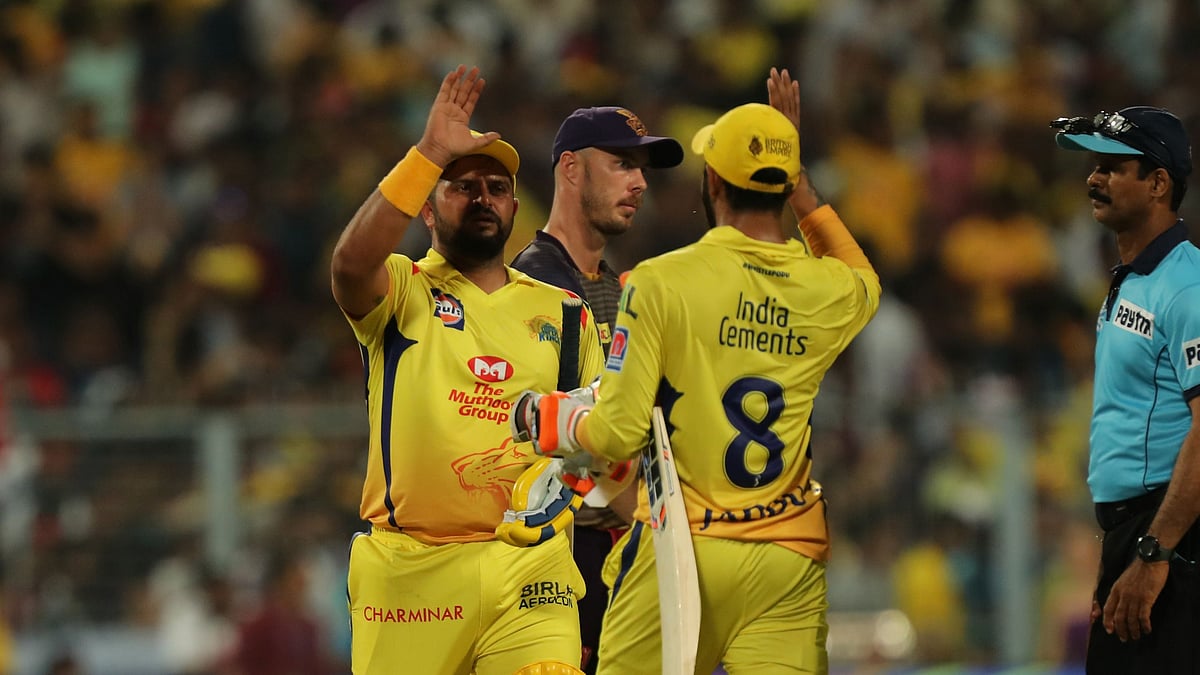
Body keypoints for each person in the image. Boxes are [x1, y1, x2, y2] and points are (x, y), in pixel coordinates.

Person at [512, 68, 881, 673]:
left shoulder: (659, 282)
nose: (639, 182)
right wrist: (799, 184)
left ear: (711, 181)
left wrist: (550, 418)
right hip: (786, 550)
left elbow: (614, 433)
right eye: (623, 164)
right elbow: (863, 278)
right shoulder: (827, 292)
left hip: (681, 544)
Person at [330, 65, 605, 675]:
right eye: (462, 186)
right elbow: (349, 266)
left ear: (515, 207)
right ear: (427, 211)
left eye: (497, 187)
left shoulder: (566, 313)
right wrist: (428, 153)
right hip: (411, 575)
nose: (483, 197)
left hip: (530, 567)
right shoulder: (401, 288)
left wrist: (577, 482)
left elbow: (599, 431)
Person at [509, 105, 683, 674]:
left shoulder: (614, 286)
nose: (640, 182)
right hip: (558, 564)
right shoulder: (532, 287)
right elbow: (534, 438)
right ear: (571, 169)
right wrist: (653, 523)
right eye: (621, 164)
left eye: (642, 169)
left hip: (614, 553)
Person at [1050, 106, 1200, 673]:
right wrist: (1120, 557)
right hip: (1140, 537)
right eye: (1095, 165)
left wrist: (1153, 555)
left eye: (1113, 167)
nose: (1094, 177)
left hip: (1173, 542)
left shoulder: (1187, 289)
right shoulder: (1136, 279)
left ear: (1158, 184)